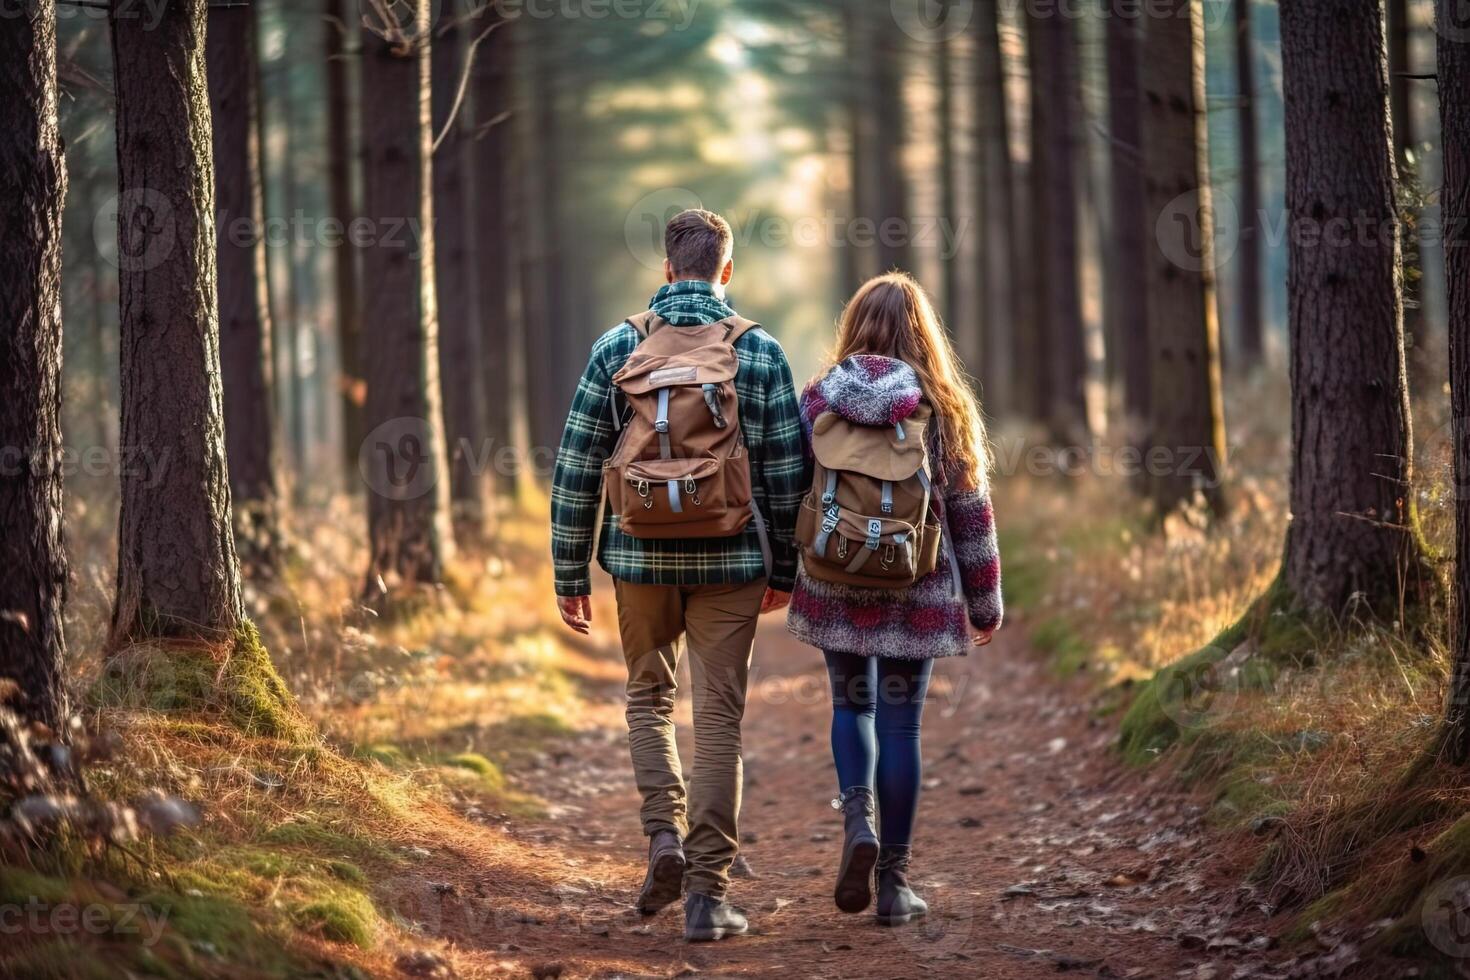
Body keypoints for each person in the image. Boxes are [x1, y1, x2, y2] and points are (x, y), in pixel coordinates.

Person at [550, 209, 806, 942]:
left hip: (637, 558)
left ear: (666, 271)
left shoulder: (615, 347)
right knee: (718, 720)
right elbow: (788, 474)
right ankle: (706, 894)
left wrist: (570, 570)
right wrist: (784, 570)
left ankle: (662, 838)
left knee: (648, 700)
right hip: (730, 562)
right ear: (727, 272)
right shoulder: (757, 352)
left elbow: (575, 466)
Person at [786, 271, 1003, 926]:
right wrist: (985, 602)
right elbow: (971, 513)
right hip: (919, 587)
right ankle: (893, 885)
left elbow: (788, 491)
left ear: (853, 327)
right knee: (901, 724)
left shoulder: (818, 401)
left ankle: (859, 820)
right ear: (924, 334)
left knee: (850, 706)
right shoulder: (943, 407)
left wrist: (774, 573)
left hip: (834, 582)